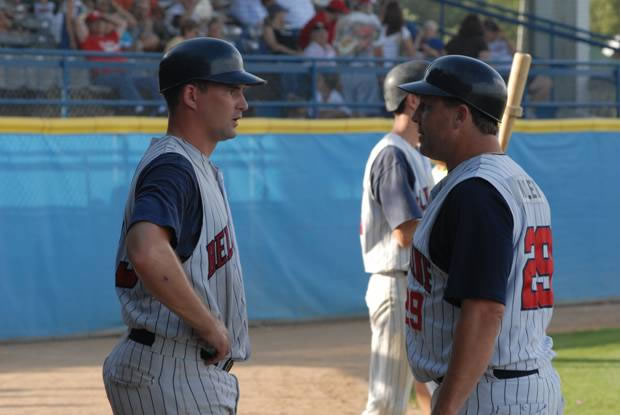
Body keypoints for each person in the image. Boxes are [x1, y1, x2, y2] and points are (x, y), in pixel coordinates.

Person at [102, 37, 266, 414]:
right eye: (232, 90)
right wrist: (208, 324)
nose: (243, 103)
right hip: (173, 368)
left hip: (171, 366)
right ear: (192, 95)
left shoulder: (190, 164)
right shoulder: (174, 165)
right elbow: (146, 249)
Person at [399, 55, 564, 414]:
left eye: (426, 108)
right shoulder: (506, 179)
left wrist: (446, 408)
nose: (415, 118)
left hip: (488, 393)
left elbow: (485, 310)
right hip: (509, 386)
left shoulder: (478, 191)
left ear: (461, 115)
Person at [360, 60, 435, 415]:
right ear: (411, 102)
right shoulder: (392, 155)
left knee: (430, 385)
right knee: (387, 401)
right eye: (429, 96)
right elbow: (406, 232)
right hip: (396, 283)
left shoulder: (417, 155)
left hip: (415, 286)